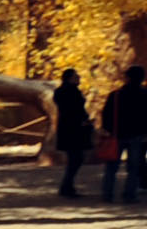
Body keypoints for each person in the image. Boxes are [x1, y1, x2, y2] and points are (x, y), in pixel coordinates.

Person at [50, 68, 96, 199]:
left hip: (69, 128)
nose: (79, 78)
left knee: (75, 158)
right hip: (74, 129)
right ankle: (66, 186)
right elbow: (72, 110)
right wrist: (82, 121)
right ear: (70, 78)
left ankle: (67, 186)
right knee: (76, 158)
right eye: (76, 76)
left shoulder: (62, 92)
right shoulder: (70, 92)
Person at [106, 64, 147, 203]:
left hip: (117, 135)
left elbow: (107, 115)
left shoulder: (115, 95)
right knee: (134, 167)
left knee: (112, 167)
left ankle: (108, 194)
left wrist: (110, 130)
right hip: (137, 136)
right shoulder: (145, 94)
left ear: (127, 77)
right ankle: (129, 195)